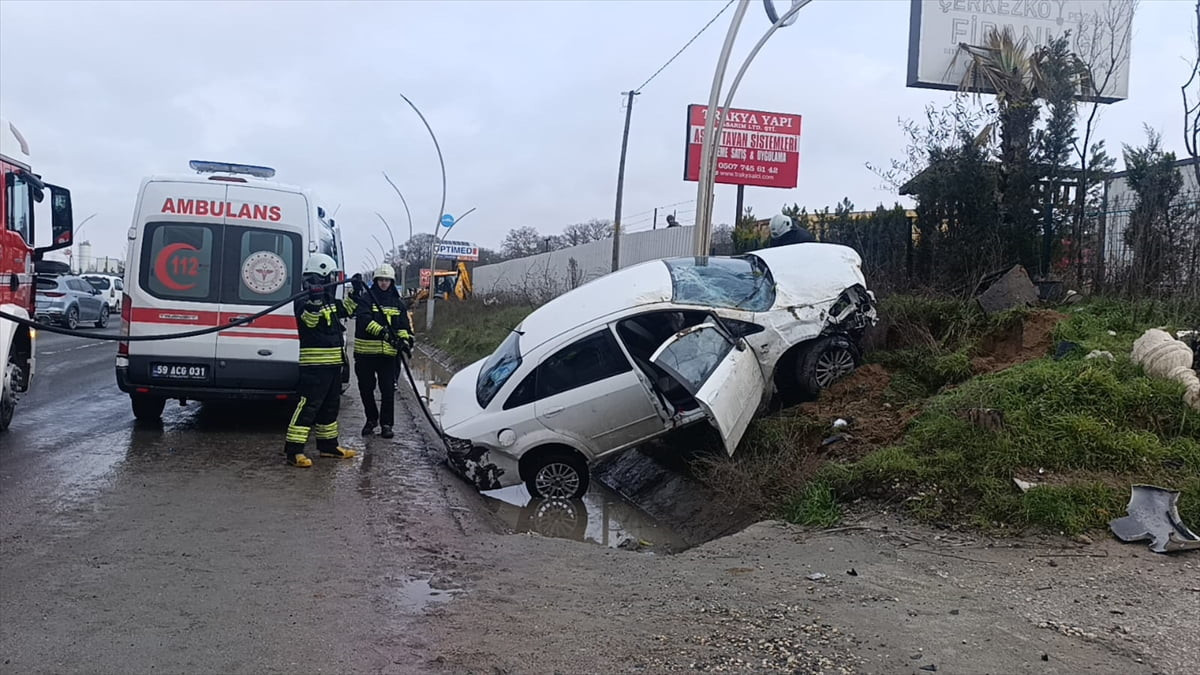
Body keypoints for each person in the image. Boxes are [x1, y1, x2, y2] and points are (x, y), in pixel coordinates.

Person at [283, 253, 364, 468]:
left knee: (330, 407)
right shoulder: (302, 299)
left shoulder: (329, 300)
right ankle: (294, 451)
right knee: (308, 406)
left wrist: (355, 291)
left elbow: (347, 309)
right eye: (330, 277)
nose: (332, 282)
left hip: (332, 365)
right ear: (322, 277)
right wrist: (315, 300)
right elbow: (309, 321)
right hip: (314, 366)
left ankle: (328, 446)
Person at [353, 263, 412, 438]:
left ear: (392, 282)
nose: (384, 283)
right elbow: (364, 321)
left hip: (388, 356)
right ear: (375, 281)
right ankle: (371, 419)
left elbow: (403, 326)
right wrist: (383, 333)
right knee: (366, 388)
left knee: (387, 390)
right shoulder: (366, 299)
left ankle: (387, 425)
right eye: (381, 280)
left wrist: (404, 341)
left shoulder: (397, 302)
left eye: (387, 280)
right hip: (365, 355)